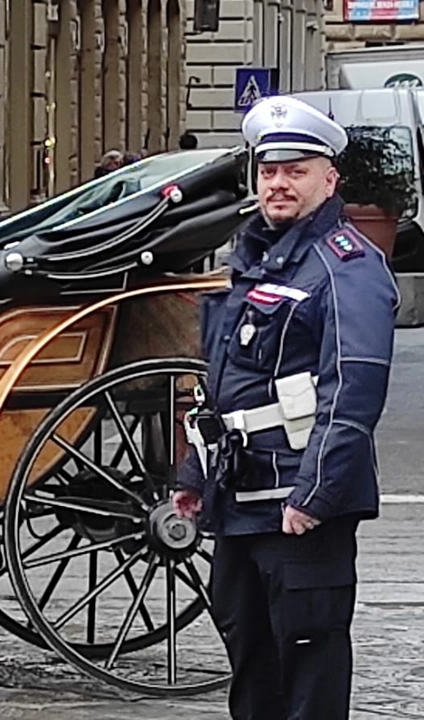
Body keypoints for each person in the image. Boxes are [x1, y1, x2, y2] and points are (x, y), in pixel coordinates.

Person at [174, 96, 398, 719]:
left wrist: (316, 493)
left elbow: (352, 392)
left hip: (299, 508)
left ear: (330, 179)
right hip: (240, 500)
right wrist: (195, 478)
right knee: (253, 667)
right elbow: (225, 382)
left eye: (296, 170)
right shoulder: (255, 258)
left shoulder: (346, 268)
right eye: (269, 171)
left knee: (308, 671)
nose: (278, 183)